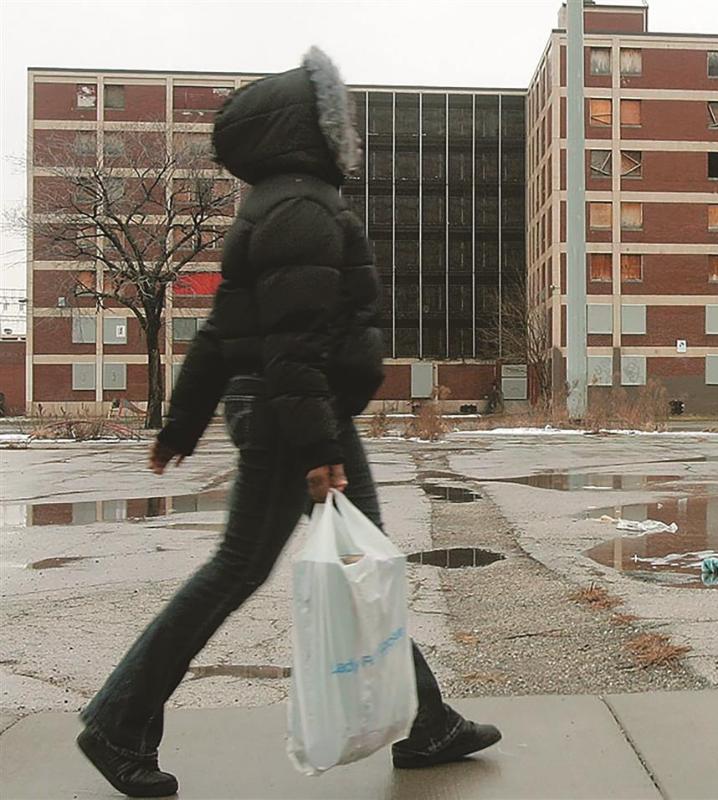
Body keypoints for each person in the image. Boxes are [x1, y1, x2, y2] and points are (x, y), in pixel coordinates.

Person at [76, 47, 500, 798]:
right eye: (340, 118)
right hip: (293, 415)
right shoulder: (302, 209)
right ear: (308, 127)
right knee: (236, 570)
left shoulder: (275, 203)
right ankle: (118, 722)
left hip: (300, 410)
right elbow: (293, 343)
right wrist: (315, 447)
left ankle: (427, 721)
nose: (354, 133)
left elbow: (221, 333)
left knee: (361, 563)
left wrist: (182, 425)